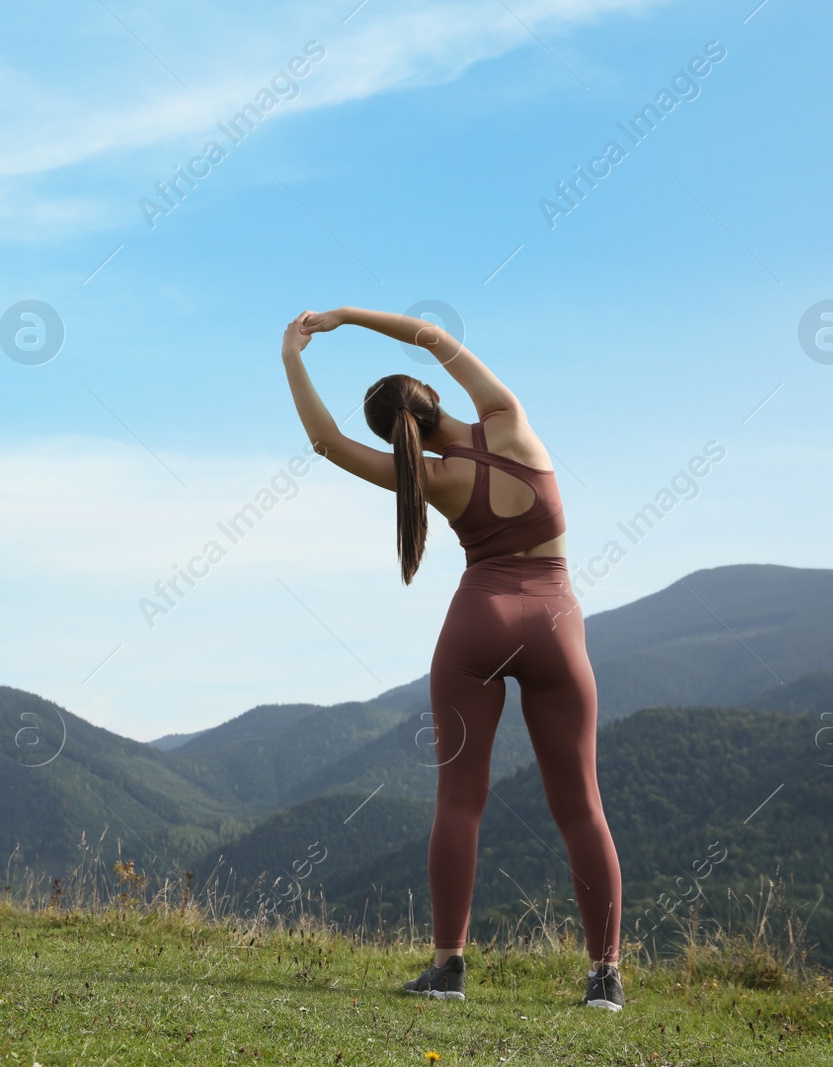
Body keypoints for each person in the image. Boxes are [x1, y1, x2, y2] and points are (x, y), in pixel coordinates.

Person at [280, 307, 624, 1011]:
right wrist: (345, 317)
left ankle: (448, 968)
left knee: (460, 800)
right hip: (557, 624)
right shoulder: (507, 419)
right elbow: (432, 337)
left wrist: (294, 357)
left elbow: (323, 440)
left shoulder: (431, 481)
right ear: (434, 399)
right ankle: (604, 977)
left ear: (395, 435)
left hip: (478, 622)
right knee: (582, 807)